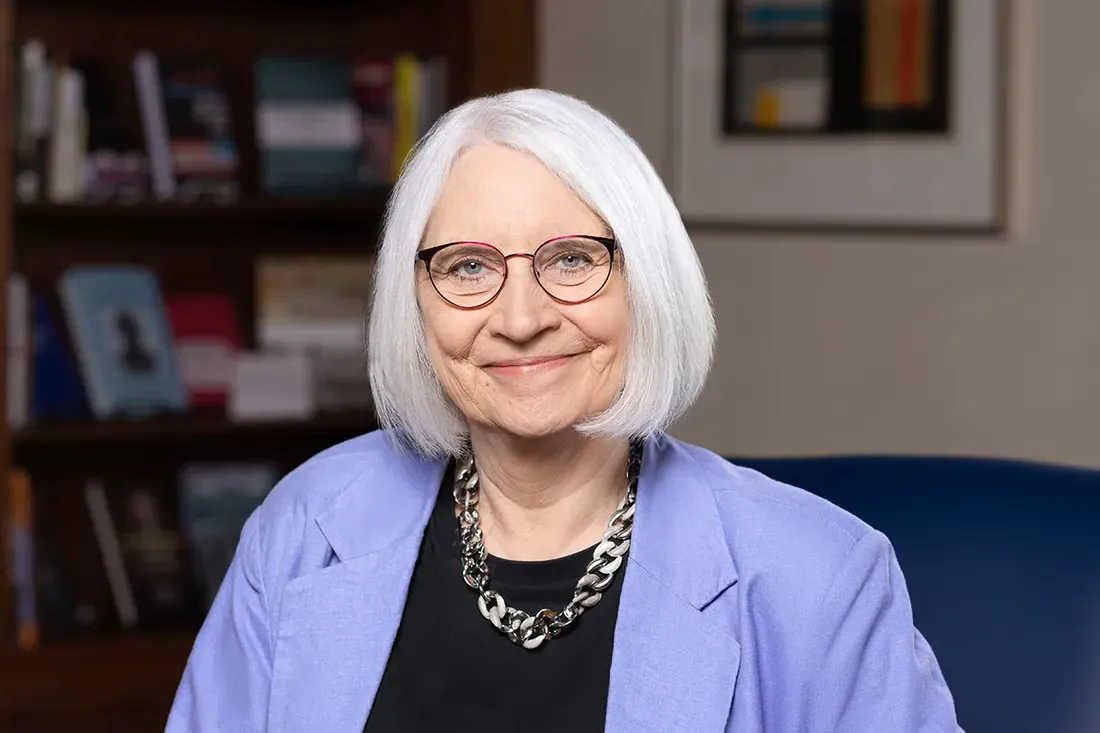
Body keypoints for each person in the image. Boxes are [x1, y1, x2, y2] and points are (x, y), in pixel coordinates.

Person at [166, 89, 962, 732]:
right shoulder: (305, 529)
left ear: (645, 281)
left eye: (572, 259)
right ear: (416, 303)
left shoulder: (820, 579)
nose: (520, 317)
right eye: (468, 266)